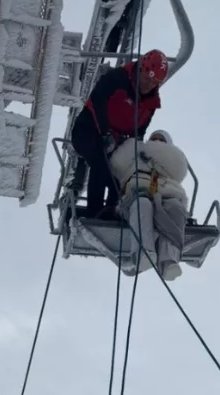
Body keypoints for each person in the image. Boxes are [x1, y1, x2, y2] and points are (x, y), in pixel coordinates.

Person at [68, 49, 169, 218]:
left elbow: (140, 131)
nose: (148, 85)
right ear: (141, 69)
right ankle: (95, 212)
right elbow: (98, 104)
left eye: (153, 83)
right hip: (88, 131)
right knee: (100, 165)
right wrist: (105, 132)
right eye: (146, 78)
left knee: (119, 177)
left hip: (114, 141)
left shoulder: (151, 104)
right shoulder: (116, 79)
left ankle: (112, 210)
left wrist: (137, 153)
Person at [108, 129, 190, 281]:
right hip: (136, 194)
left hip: (165, 195)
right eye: (154, 138)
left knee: (174, 209)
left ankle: (168, 261)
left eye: (161, 139)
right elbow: (117, 164)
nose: (157, 141)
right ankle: (144, 252)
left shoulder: (171, 163)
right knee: (142, 204)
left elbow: (178, 172)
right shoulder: (136, 153)